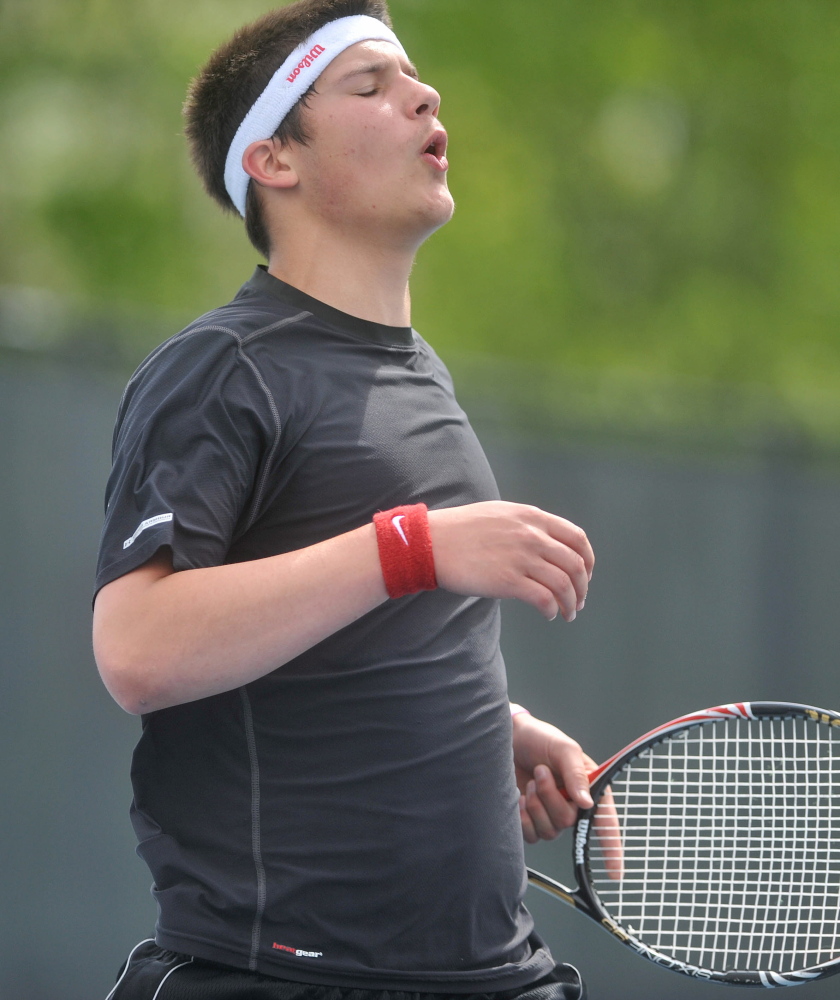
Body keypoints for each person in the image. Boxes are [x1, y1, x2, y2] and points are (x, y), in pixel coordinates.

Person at [92, 2, 598, 998]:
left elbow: (343, 623)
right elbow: (138, 649)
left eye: (413, 77)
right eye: (370, 85)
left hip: (488, 973)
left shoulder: (421, 374)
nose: (425, 95)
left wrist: (491, 726)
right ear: (274, 160)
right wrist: (412, 547)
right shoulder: (221, 368)